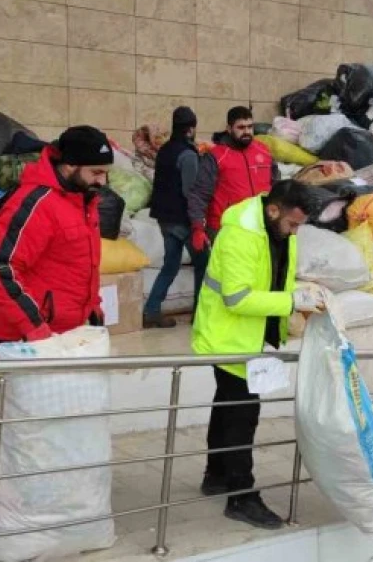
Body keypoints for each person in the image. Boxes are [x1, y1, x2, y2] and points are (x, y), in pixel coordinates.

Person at [0, 125, 114, 529]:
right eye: (96, 172)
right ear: (68, 165)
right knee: (20, 429)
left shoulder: (83, 200)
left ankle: (42, 504)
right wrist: (34, 326)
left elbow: (80, 267)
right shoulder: (37, 200)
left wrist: (93, 311)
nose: (103, 182)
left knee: (50, 432)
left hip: (67, 336)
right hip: (31, 337)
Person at [192, 180, 324, 529]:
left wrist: (296, 296)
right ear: (273, 209)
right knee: (242, 416)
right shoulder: (242, 234)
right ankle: (241, 496)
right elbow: (237, 298)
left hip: (247, 336)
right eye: (293, 225)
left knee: (227, 408)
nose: (295, 233)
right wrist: (293, 301)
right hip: (230, 337)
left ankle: (216, 474)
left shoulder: (278, 232)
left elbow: (276, 278)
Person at [143, 106, 210, 328]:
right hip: (183, 220)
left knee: (170, 265)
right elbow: (191, 192)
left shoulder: (164, 150)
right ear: (190, 129)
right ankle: (200, 312)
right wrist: (198, 222)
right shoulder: (188, 155)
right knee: (203, 262)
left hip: (164, 219)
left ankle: (151, 310)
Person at [187, 107, 280, 252]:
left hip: (259, 228)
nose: (247, 132)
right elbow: (199, 195)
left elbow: (276, 186)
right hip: (225, 229)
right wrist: (198, 228)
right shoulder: (216, 156)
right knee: (229, 274)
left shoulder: (263, 151)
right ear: (229, 128)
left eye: (250, 127)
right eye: (241, 127)